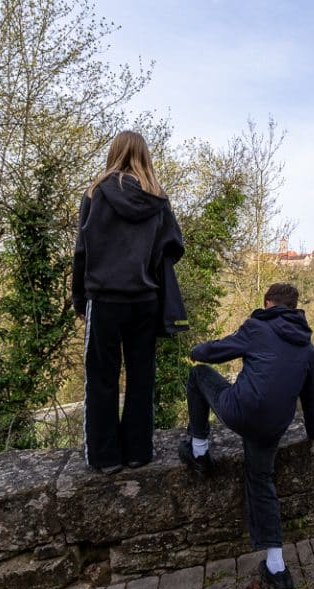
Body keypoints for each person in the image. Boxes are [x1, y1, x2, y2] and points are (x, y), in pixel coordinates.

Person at [179, 282, 314, 589]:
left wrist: (194, 350)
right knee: (262, 482)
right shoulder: (306, 348)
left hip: (241, 411)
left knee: (199, 376)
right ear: (295, 307)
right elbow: (312, 398)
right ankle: (277, 568)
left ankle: (199, 450)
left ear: (268, 303)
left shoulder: (258, 326)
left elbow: (211, 353)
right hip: (272, 425)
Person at [72, 131, 186, 474]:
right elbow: (175, 246)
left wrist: (79, 298)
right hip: (145, 299)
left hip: (105, 299)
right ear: (144, 156)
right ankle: (138, 452)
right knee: (141, 377)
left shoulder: (95, 194)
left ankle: (105, 457)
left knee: (101, 378)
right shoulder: (158, 200)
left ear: (114, 153)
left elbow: (82, 252)